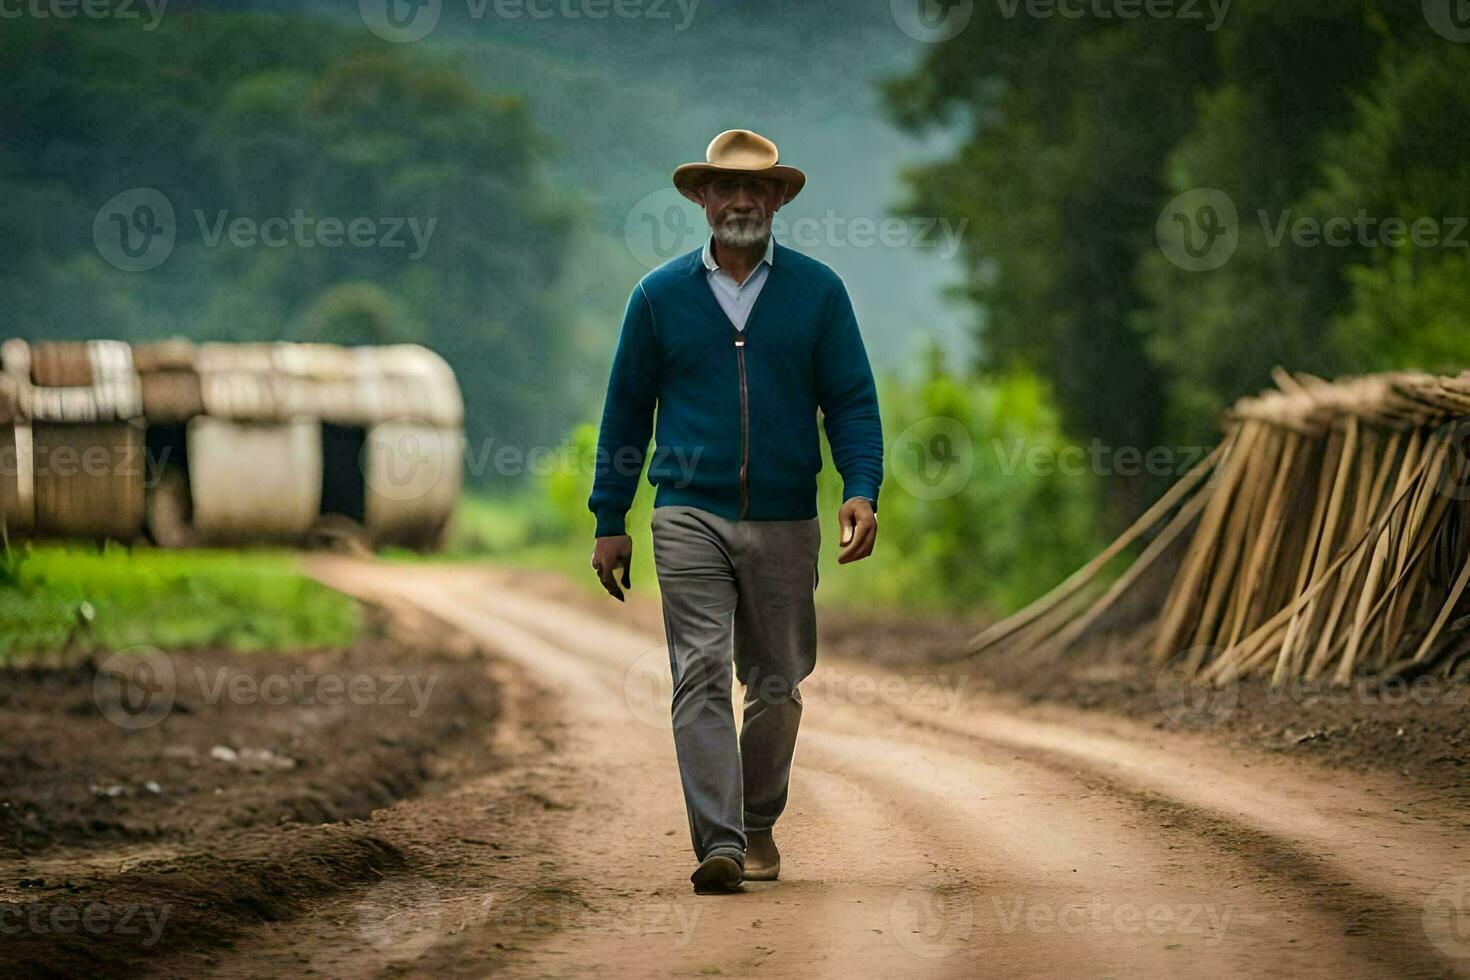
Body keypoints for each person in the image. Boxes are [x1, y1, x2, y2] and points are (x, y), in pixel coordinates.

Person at [588, 129, 883, 894]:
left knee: (779, 682)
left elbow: (850, 400)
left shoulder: (819, 293)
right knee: (701, 673)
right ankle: (718, 844)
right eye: (726, 187)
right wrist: (609, 518)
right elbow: (627, 413)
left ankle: (757, 823)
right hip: (688, 511)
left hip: (787, 516)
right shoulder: (658, 297)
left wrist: (861, 487)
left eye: (758, 188)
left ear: (779, 198)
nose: (742, 200)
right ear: (702, 198)